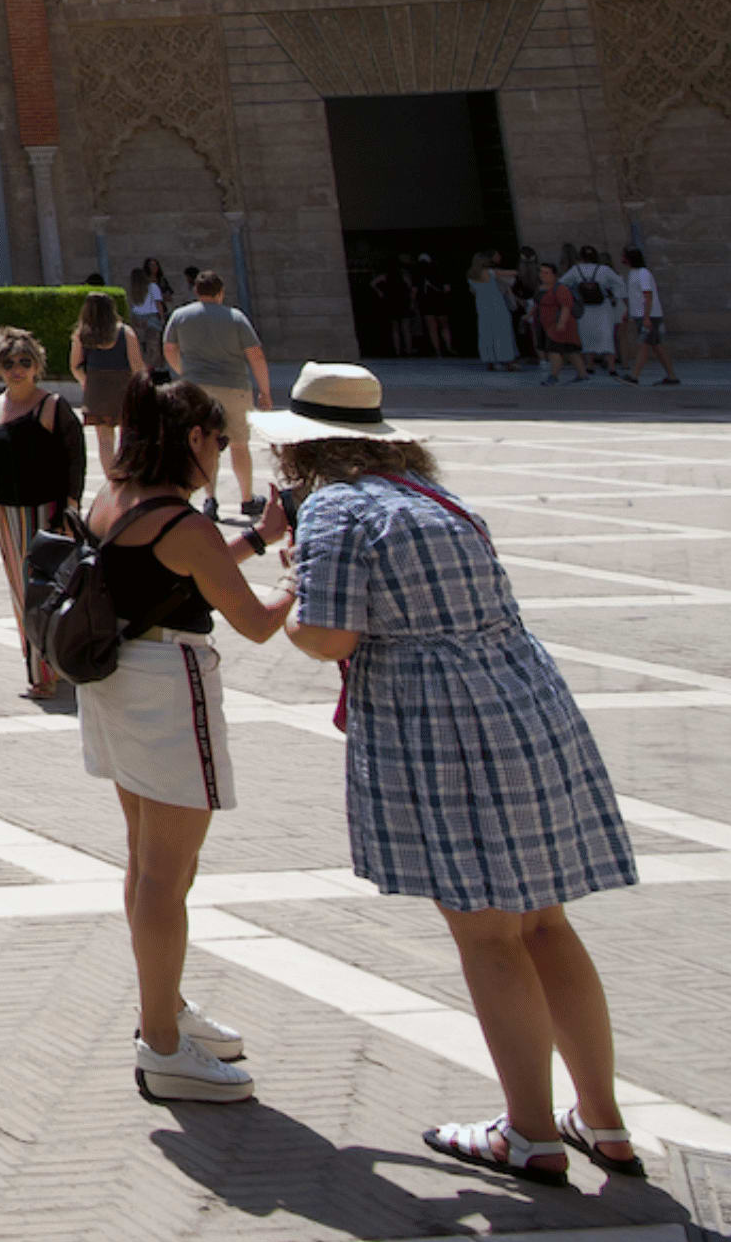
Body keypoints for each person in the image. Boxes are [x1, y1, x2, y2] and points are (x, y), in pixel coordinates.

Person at [264, 362, 643, 1184]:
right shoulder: (440, 499)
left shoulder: (334, 506)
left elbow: (328, 635)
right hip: (524, 693)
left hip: (438, 715)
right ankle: (603, 1119)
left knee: (485, 929)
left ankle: (532, 1131)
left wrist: (292, 589)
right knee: (546, 920)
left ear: (303, 450)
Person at [76, 377, 294, 1103]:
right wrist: (304, 576)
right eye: (219, 436)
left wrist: (257, 540)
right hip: (169, 684)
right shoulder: (185, 522)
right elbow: (257, 622)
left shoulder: (110, 499)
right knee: (169, 873)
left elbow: (171, 570)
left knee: (146, 863)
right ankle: (163, 1044)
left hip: (112, 679)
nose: (222, 449)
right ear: (193, 438)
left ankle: (161, 1008)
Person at [0, 325, 88, 700]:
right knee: (21, 594)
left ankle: (43, 674)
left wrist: (68, 509)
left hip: (44, 514)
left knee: (40, 593)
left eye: (24, 362)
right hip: (5, 513)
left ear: (37, 366)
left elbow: (75, 460)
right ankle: (47, 664)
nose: (16, 369)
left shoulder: (52, 406)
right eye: (8, 363)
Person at [163, 270, 272, 523]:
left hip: (196, 388)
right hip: (233, 386)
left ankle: (210, 499)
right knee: (239, 444)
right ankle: (247, 498)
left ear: (196, 292)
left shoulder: (180, 316)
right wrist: (264, 391)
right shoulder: (235, 317)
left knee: (204, 444)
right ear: (220, 292)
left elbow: (169, 348)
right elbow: (255, 355)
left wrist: (183, 371)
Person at [71, 285, 142, 448]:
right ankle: (126, 470)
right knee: (128, 434)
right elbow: (137, 366)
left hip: (96, 387)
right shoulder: (125, 332)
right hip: (123, 386)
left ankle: (110, 474)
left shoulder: (81, 334)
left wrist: (86, 382)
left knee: (104, 440)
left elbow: (75, 366)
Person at [617, 247, 676, 386]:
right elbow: (635, 297)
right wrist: (629, 312)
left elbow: (647, 296)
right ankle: (672, 376)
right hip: (642, 316)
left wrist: (647, 317)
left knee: (644, 345)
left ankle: (634, 376)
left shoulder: (643, 273)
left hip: (649, 316)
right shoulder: (633, 273)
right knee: (657, 346)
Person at [565, 247, 622, 383]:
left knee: (587, 334)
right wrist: (614, 296)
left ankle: (590, 365)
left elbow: (563, 283)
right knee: (606, 335)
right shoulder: (604, 270)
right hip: (603, 307)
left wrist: (574, 296)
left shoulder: (576, 270)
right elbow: (619, 284)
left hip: (585, 307)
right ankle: (611, 367)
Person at [471, 249, 519, 372]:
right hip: (497, 305)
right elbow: (513, 273)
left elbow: (473, 291)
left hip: (482, 307)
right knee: (503, 333)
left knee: (487, 334)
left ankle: (490, 362)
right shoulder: (490, 272)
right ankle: (508, 361)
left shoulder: (471, 274)